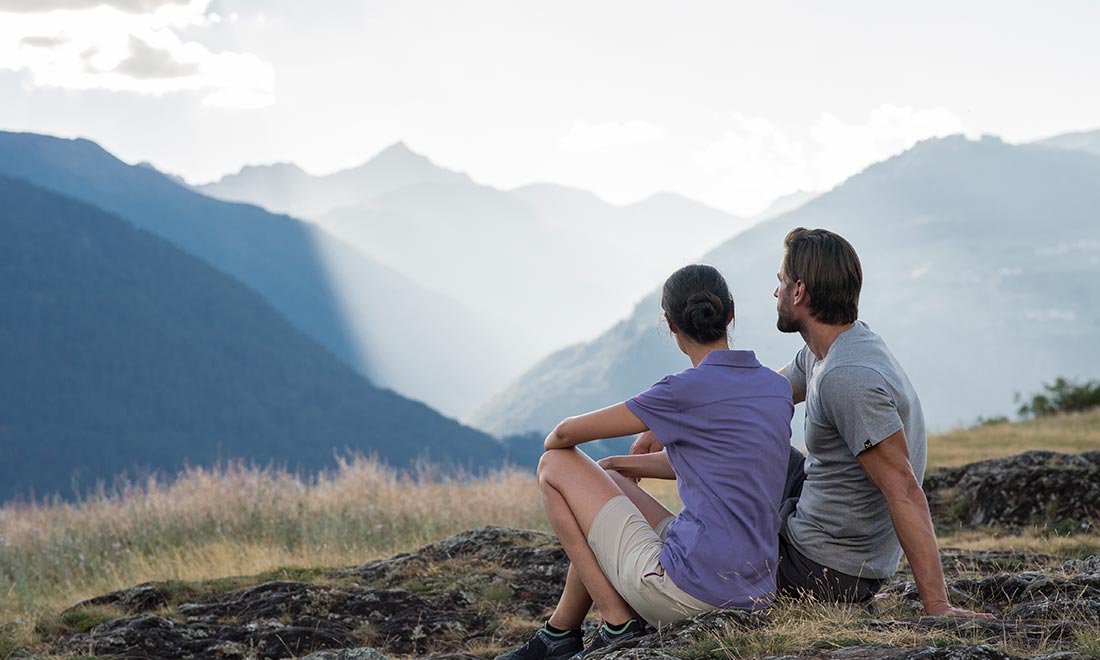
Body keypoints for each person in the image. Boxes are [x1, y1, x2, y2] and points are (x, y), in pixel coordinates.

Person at [496, 264, 794, 660]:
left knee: (554, 465)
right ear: (730, 313)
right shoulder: (776, 388)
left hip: (688, 591)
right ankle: (559, 632)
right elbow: (716, 460)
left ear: (671, 325)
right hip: (754, 587)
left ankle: (617, 623)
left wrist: (649, 424)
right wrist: (621, 467)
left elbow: (563, 436)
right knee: (607, 477)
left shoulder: (680, 391)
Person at [769, 227, 992, 616]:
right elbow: (762, 395)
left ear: (799, 292)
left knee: (710, 561)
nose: (776, 293)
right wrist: (676, 419)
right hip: (824, 529)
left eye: (781, 283)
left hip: (825, 570)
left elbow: (903, 489)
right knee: (750, 447)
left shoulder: (848, 377)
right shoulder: (831, 349)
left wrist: (937, 605)